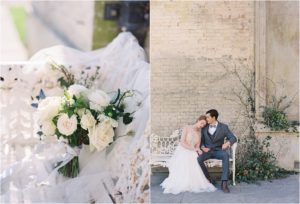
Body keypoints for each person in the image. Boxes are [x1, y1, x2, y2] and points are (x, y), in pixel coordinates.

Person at [161, 115, 216, 194]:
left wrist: (199, 150)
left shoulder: (199, 133)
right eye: (202, 123)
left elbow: (197, 146)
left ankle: (195, 181)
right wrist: (194, 149)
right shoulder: (187, 127)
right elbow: (182, 142)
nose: (202, 125)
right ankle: (183, 181)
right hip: (183, 149)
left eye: (204, 125)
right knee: (186, 158)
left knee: (195, 159)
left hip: (193, 151)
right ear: (198, 120)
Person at [198, 109, 237, 193]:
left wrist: (227, 143)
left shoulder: (223, 127)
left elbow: (233, 138)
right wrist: (202, 147)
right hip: (207, 151)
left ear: (214, 117)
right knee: (199, 159)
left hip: (218, 150)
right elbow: (201, 140)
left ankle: (224, 183)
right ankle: (208, 178)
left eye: (208, 117)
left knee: (225, 156)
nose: (206, 119)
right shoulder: (204, 127)